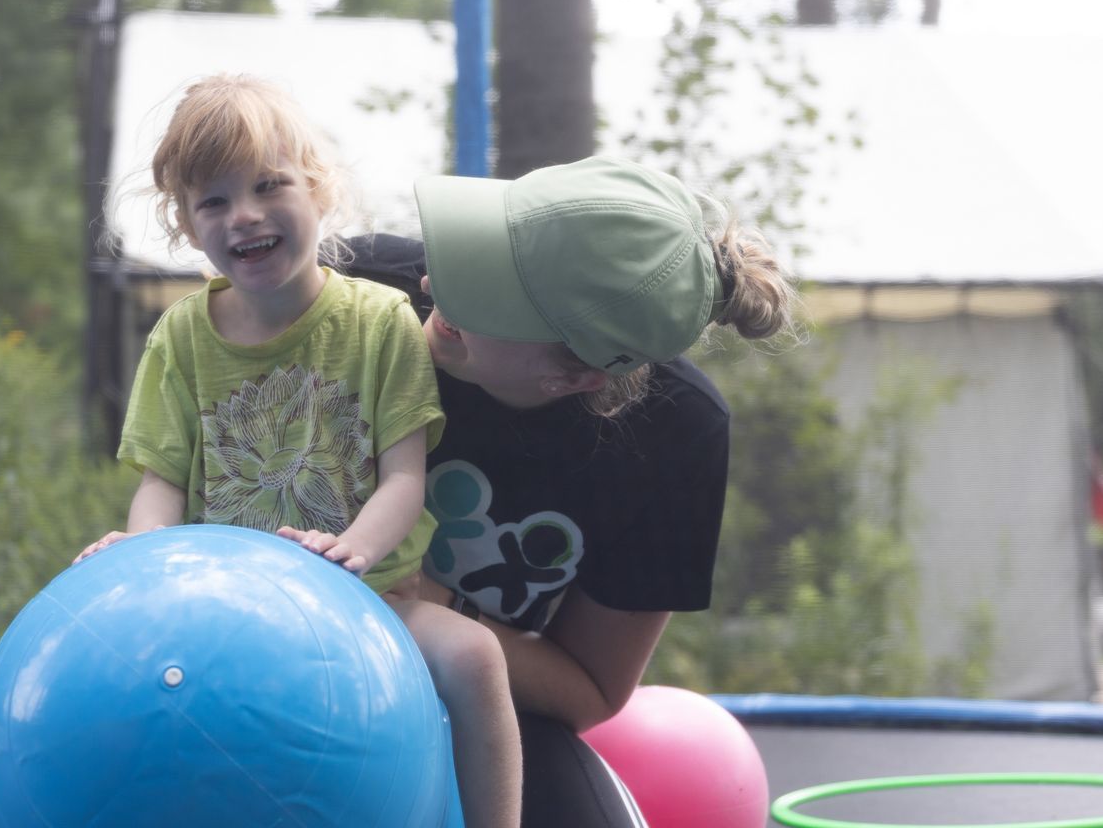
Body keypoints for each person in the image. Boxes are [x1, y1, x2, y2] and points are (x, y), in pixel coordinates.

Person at [0, 74, 521, 828]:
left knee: (477, 659)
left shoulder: (383, 321)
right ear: (184, 224)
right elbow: (160, 485)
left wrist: (350, 554)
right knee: (36, 651)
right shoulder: (180, 336)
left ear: (319, 189)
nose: (243, 215)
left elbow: (405, 479)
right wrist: (138, 556)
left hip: (364, 602)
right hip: (206, 606)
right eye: (213, 200)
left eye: (268, 186)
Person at [342, 154, 800, 826]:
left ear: (575, 375)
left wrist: (438, 607)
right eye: (479, 249)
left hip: (477, 702)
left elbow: (589, 686)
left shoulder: (677, 434)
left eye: (487, 289)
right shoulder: (353, 287)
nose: (436, 281)